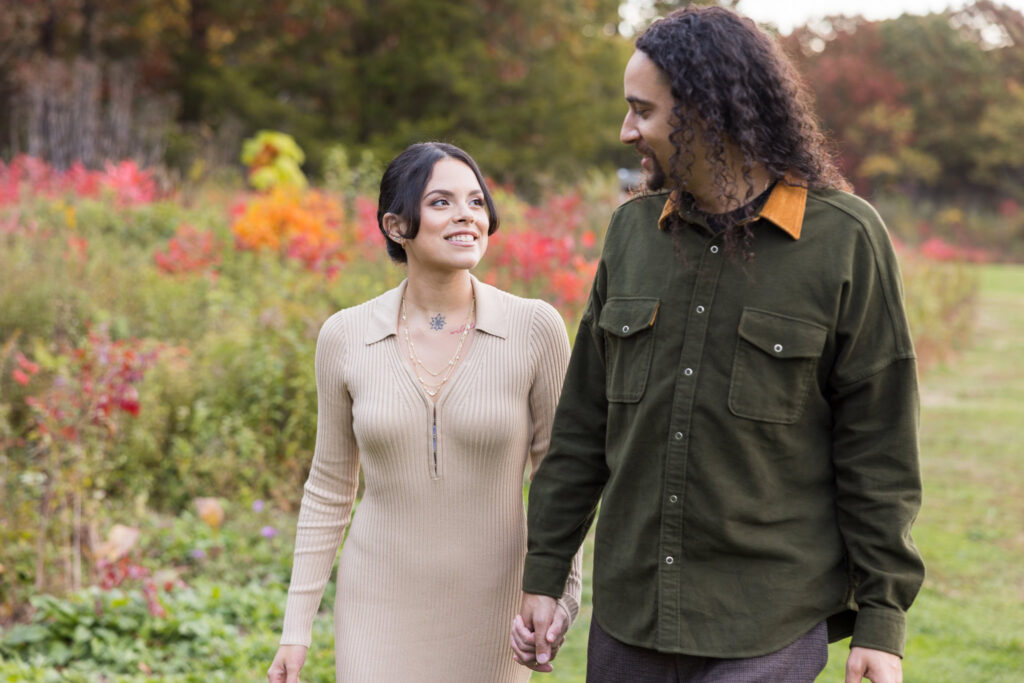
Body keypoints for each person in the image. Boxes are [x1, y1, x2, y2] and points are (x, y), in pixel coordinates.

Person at [511, 7, 924, 683]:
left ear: (706, 111)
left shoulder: (846, 239)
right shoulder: (632, 234)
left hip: (770, 621)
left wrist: (881, 620)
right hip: (629, 619)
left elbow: (878, 446)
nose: (626, 131)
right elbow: (582, 427)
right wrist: (546, 571)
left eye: (642, 111)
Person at [268, 142, 582, 683]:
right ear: (396, 226)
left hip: (495, 605)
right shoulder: (345, 336)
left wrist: (558, 592)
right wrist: (295, 629)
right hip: (377, 604)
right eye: (441, 202)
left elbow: (562, 474)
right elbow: (328, 486)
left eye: (476, 202)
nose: (467, 215)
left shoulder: (535, 329)